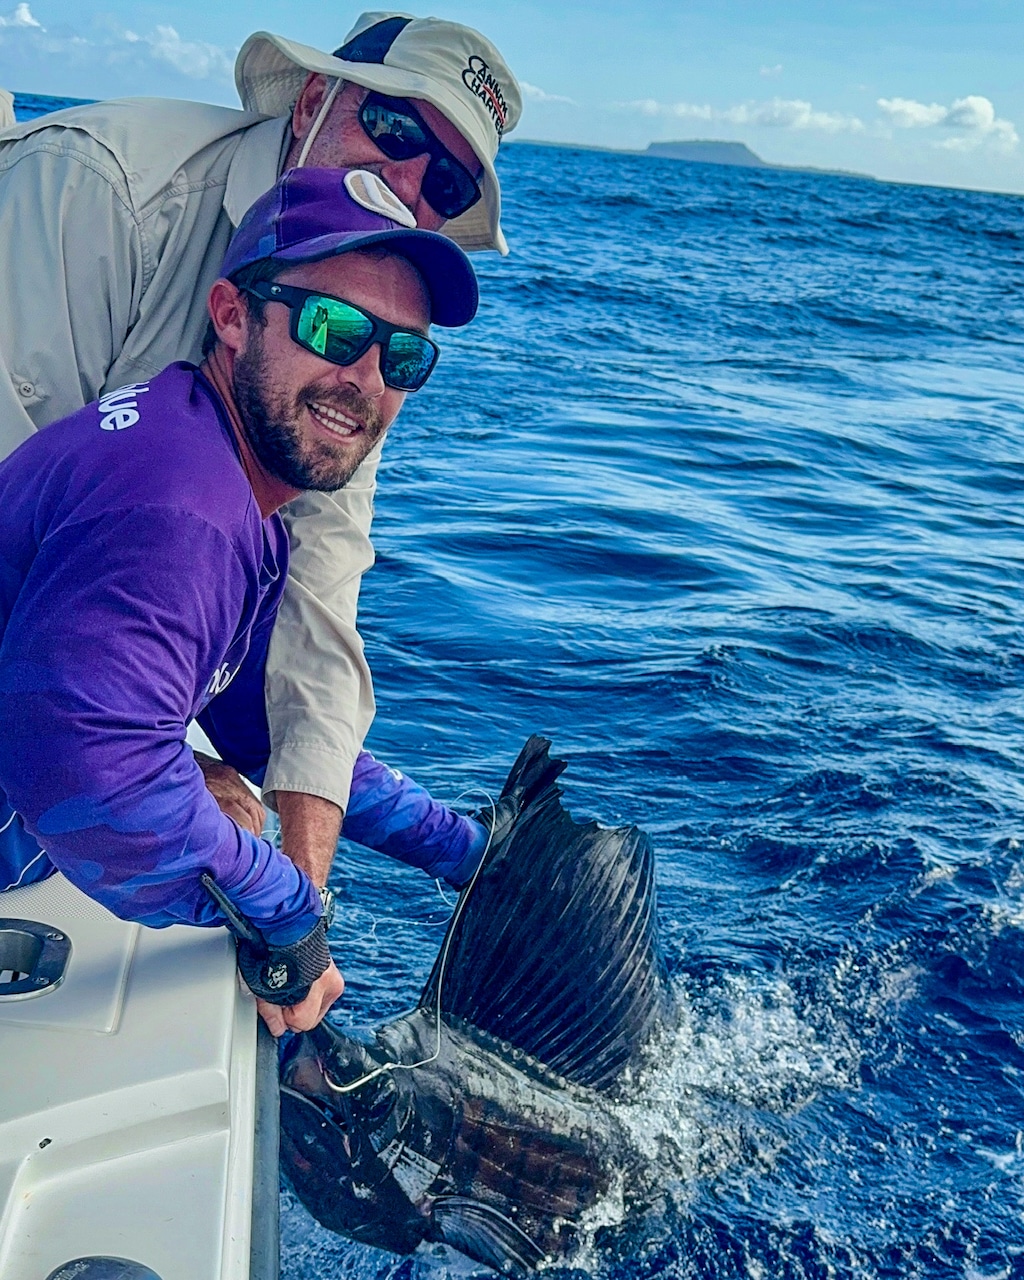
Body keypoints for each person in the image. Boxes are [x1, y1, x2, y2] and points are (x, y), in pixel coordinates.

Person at [0, 11, 522, 898]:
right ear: (314, 97)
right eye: (395, 129)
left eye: (445, 179)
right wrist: (161, 768)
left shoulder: (353, 327)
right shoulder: (101, 187)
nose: (407, 182)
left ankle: (478, 855)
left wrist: (307, 888)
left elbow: (317, 592)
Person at [0, 167, 486, 1036]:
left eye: (404, 356)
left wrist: (464, 850)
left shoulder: (216, 475)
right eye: (333, 328)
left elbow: (266, 724)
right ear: (232, 315)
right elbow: (99, 788)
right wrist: (288, 917)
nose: (366, 379)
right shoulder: (181, 503)